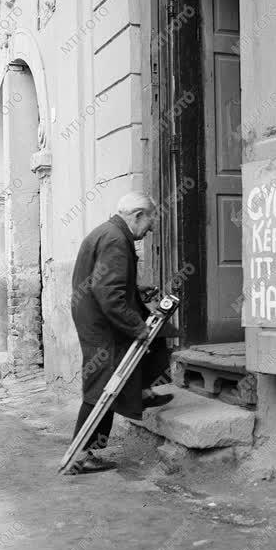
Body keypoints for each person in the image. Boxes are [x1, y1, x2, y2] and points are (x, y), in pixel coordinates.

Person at [69, 192, 174, 474]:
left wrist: (135, 292)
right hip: (102, 323)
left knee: (155, 338)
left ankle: (143, 390)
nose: (151, 227)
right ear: (138, 215)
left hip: (95, 316)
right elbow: (109, 294)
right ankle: (82, 454)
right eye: (151, 219)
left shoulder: (109, 232)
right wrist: (138, 328)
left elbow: (102, 283)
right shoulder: (116, 240)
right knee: (103, 384)